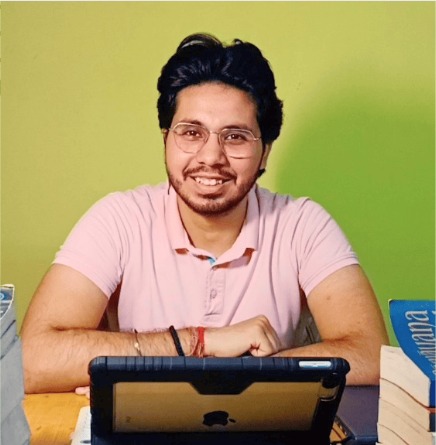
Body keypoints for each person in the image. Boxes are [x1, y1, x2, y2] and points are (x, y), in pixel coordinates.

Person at [21, 33, 388, 394]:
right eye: (191, 133)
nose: (211, 157)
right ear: (166, 139)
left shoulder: (302, 225)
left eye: (235, 136)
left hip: (262, 426)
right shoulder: (118, 220)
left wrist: (236, 374)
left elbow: (372, 355)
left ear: (265, 151)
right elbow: (30, 361)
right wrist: (201, 342)